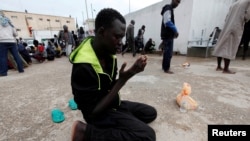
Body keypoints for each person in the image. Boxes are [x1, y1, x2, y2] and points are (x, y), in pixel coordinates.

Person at [70, 8, 157, 141]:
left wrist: (130, 73)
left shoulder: (110, 56)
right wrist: (123, 80)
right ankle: (85, 133)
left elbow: (110, 87)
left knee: (150, 113)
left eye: (122, 37)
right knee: (148, 136)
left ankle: (121, 122)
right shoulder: (83, 66)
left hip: (111, 103)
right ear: (101, 32)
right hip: (97, 113)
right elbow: (92, 112)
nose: (121, 42)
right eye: (117, 37)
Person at [212, 0, 250, 74]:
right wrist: (245, 19)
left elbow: (226, 16)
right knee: (231, 46)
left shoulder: (235, 3)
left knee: (222, 43)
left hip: (227, 25)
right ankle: (226, 69)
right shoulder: (248, 2)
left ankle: (219, 66)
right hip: (236, 25)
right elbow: (247, 16)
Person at [0, 10, 24, 76]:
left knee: (3, 57)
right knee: (16, 55)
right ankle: (21, 69)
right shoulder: (10, 23)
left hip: (2, 41)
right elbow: (15, 34)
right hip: (12, 41)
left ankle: (3, 72)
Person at [160, 0, 181, 74]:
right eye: (177, 1)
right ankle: (166, 68)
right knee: (168, 52)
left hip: (168, 35)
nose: (177, 3)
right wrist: (175, 30)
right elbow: (167, 21)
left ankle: (164, 67)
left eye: (179, 2)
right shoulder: (168, 8)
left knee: (167, 52)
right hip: (167, 35)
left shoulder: (169, 9)